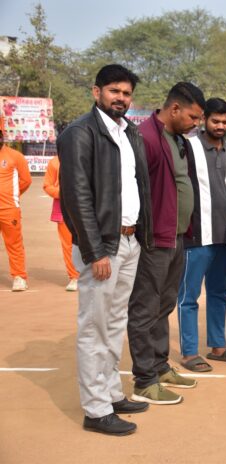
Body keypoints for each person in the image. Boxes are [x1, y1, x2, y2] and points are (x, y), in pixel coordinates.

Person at [58, 64, 152, 435]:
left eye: (126, 93)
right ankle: (96, 410)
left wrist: (139, 236)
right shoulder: (80, 133)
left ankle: (112, 393)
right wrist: (95, 250)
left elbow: (137, 186)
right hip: (102, 247)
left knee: (114, 323)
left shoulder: (129, 132)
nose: (121, 98)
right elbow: (76, 196)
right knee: (94, 327)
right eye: (114, 91)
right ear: (96, 92)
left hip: (129, 240)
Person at [128, 82, 205, 405]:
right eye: (193, 117)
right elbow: (133, 188)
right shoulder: (145, 137)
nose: (196, 124)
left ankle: (160, 367)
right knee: (145, 308)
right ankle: (144, 380)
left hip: (177, 237)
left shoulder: (179, 140)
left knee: (165, 304)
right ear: (174, 109)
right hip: (154, 239)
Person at [176, 98, 226, 372]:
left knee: (219, 293)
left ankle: (218, 347)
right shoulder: (188, 146)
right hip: (196, 236)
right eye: (215, 121)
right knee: (189, 296)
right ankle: (189, 352)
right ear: (204, 119)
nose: (220, 126)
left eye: (225, 122)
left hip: (224, 236)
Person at [0, 129, 31, 291]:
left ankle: (19, 277)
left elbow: (26, 180)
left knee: (14, 244)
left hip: (9, 209)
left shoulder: (15, 156)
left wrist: (13, 195)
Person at [42, 155, 79, 291]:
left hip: (87, 209)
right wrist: (64, 193)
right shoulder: (54, 162)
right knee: (68, 245)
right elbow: (47, 185)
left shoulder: (87, 154)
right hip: (63, 210)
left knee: (91, 242)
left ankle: (92, 274)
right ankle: (74, 277)